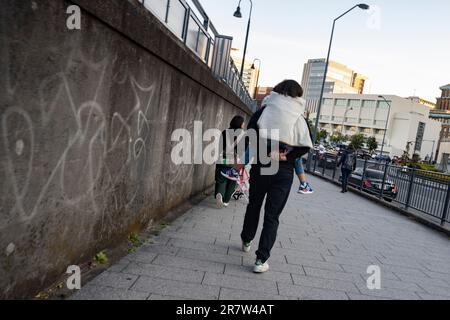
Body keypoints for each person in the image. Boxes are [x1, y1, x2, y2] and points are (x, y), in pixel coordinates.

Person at [240, 80, 313, 273]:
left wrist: (263, 152)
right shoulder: (298, 117)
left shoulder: (264, 111)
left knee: (254, 205)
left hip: (261, 166)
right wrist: (286, 155)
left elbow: (249, 136)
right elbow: (306, 144)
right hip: (284, 172)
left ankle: (247, 239)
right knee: (272, 216)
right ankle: (260, 260)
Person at [215, 116, 246, 209]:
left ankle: (220, 193)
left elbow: (220, 146)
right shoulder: (243, 134)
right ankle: (226, 201)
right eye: (243, 123)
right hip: (235, 161)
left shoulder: (224, 132)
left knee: (221, 179)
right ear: (240, 124)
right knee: (232, 180)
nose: (244, 124)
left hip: (223, 159)